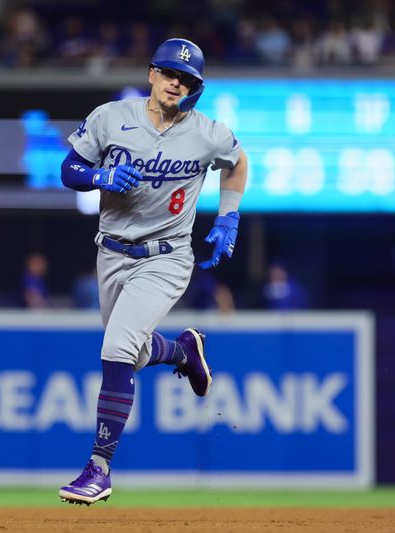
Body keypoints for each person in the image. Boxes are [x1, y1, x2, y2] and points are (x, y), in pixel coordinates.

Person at [57, 38, 248, 505]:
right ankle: (183, 351)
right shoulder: (111, 117)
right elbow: (69, 169)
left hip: (167, 256)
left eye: (185, 79)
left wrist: (229, 215)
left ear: (194, 88)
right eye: (168, 73)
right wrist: (98, 177)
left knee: (118, 347)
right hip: (112, 252)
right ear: (151, 74)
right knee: (135, 354)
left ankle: (98, 469)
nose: (175, 82)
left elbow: (238, 161)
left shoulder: (207, 132)